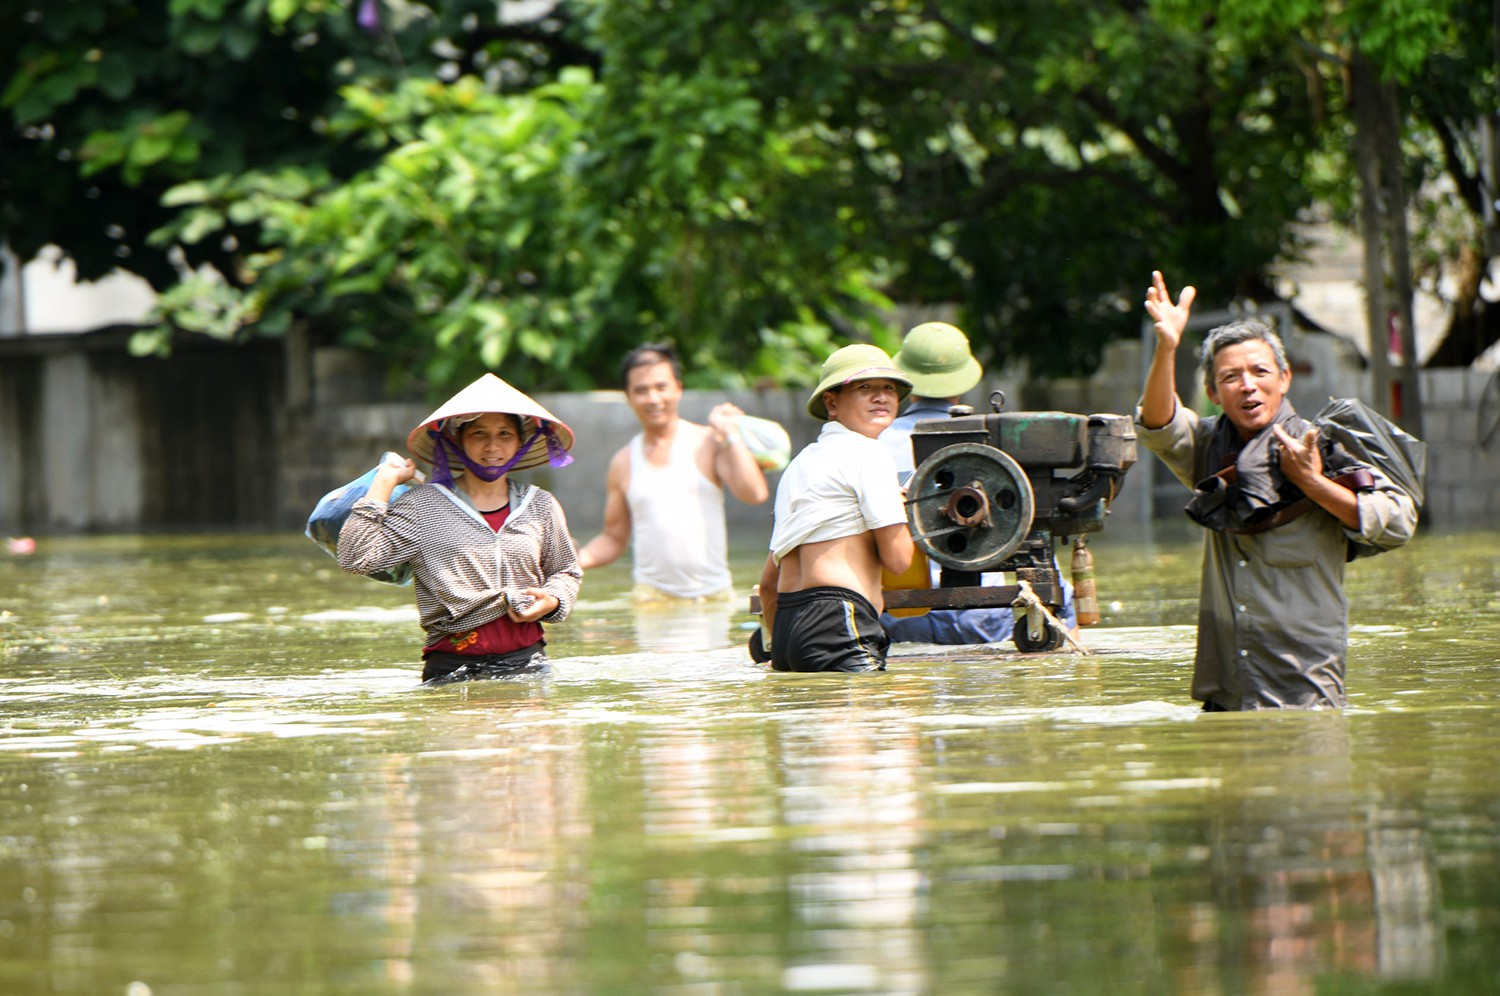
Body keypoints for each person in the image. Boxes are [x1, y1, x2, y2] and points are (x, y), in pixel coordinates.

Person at [1138, 270, 1418, 710]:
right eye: (1231, 377)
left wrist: (1313, 483)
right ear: (1213, 391)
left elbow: (1398, 522)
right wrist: (1167, 348)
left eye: (1259, 371)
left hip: (1306, 690)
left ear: (1284, 379)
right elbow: (1158, 425)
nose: (1247, 385)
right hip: (1227, 690)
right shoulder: (1211, 450)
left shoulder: (1323, 446)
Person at [337, 373, 583, 684]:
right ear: (457, 441)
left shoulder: (540, 505)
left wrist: (552, 600)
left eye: (505, 433)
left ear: (520, 442)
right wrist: (383, 483)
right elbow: (356, 558)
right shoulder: (423, 505)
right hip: (451, 669)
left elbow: (566, 571)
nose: (493, 446)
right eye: (479, 434)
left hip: (527, 663)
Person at [878, 321, 1077, 644]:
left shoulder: (874, 443)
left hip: (901, 615)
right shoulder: (993, 443)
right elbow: (1027, 527)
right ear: (964, 378)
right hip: (987, 616)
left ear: (905, 379)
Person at [758, 344, 915, 672]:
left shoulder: (800, 465)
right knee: (891, 721)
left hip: (787, 626)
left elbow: (768, 582)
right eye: (864, 388)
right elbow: (899, 561)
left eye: (888, 387)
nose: (881, 397)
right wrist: (903, 514)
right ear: (831, 402)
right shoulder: (870, 454)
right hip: (838, 620)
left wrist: (777, 647)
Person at [577, 343, 769, 602]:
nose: (653, 399)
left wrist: (729, 433)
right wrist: (574, 562)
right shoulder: (623, 462)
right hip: (651, 599)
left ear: (678, 388)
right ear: (629, 397)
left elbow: (755, 493)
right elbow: (613, 537)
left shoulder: (709, 442)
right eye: (641, 390)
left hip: (712, 596)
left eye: (661, 387)